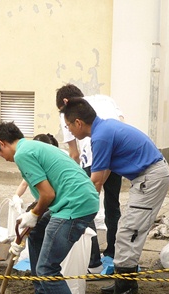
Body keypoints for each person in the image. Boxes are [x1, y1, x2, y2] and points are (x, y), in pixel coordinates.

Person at [0, 121, 99, 294]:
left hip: (74, 206)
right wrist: (34, 216)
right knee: (37, 231)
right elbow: (50, 191)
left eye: (1, 154)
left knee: (47, 268)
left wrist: (35, 213)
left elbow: (47, 194)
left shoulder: (23, 154)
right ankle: (43, 293)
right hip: (76, 199)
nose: (5, 159)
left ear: (2, 143)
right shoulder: (34, 146)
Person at [61, 97, 169, 294]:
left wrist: (79, 211)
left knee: (128, 232)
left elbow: (94, 181)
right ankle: (126, 284)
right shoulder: (104, 129)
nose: (70, 132)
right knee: (128, 229)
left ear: (78, 123)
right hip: (147, 176)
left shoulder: (101, 136)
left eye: (68, 126)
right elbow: (102, 174)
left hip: (150, 177)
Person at [56, 84, 124, 276]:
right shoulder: (105, 99)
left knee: (86, 206)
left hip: (93, 159)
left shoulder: (68, 112)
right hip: (116, 155)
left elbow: (74, 153)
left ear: (66, 103)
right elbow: (121, 122)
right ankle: (112, 253)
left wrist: (73, 179)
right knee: (112, 205)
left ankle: (93, 261)